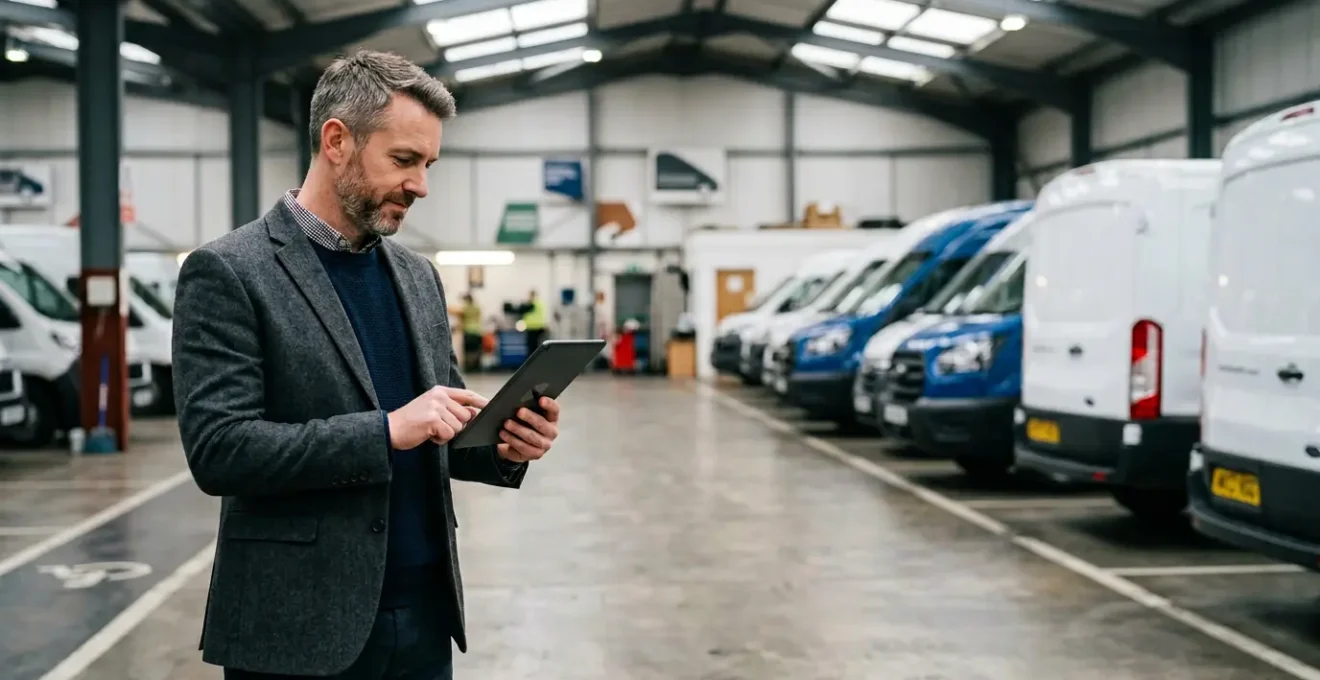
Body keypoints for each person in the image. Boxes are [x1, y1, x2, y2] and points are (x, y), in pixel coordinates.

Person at [171, 50, 562, 680]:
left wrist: (504, 445)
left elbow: (444, 427)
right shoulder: (230, 272)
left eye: (428, 164)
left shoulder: (417, 276)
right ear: (336, 141)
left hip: (425, 618)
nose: (421, 185)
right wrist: (385, 431)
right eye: (404, 160)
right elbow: (220, 450)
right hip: (299, 626)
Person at [459, 293, 482, 373]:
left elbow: (459, 313)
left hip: (468, 331)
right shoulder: (477, 307)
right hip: (477, 331)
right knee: (476, 350)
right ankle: (476, 367)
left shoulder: (465, 308)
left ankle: (469, 367)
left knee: (468, 351)